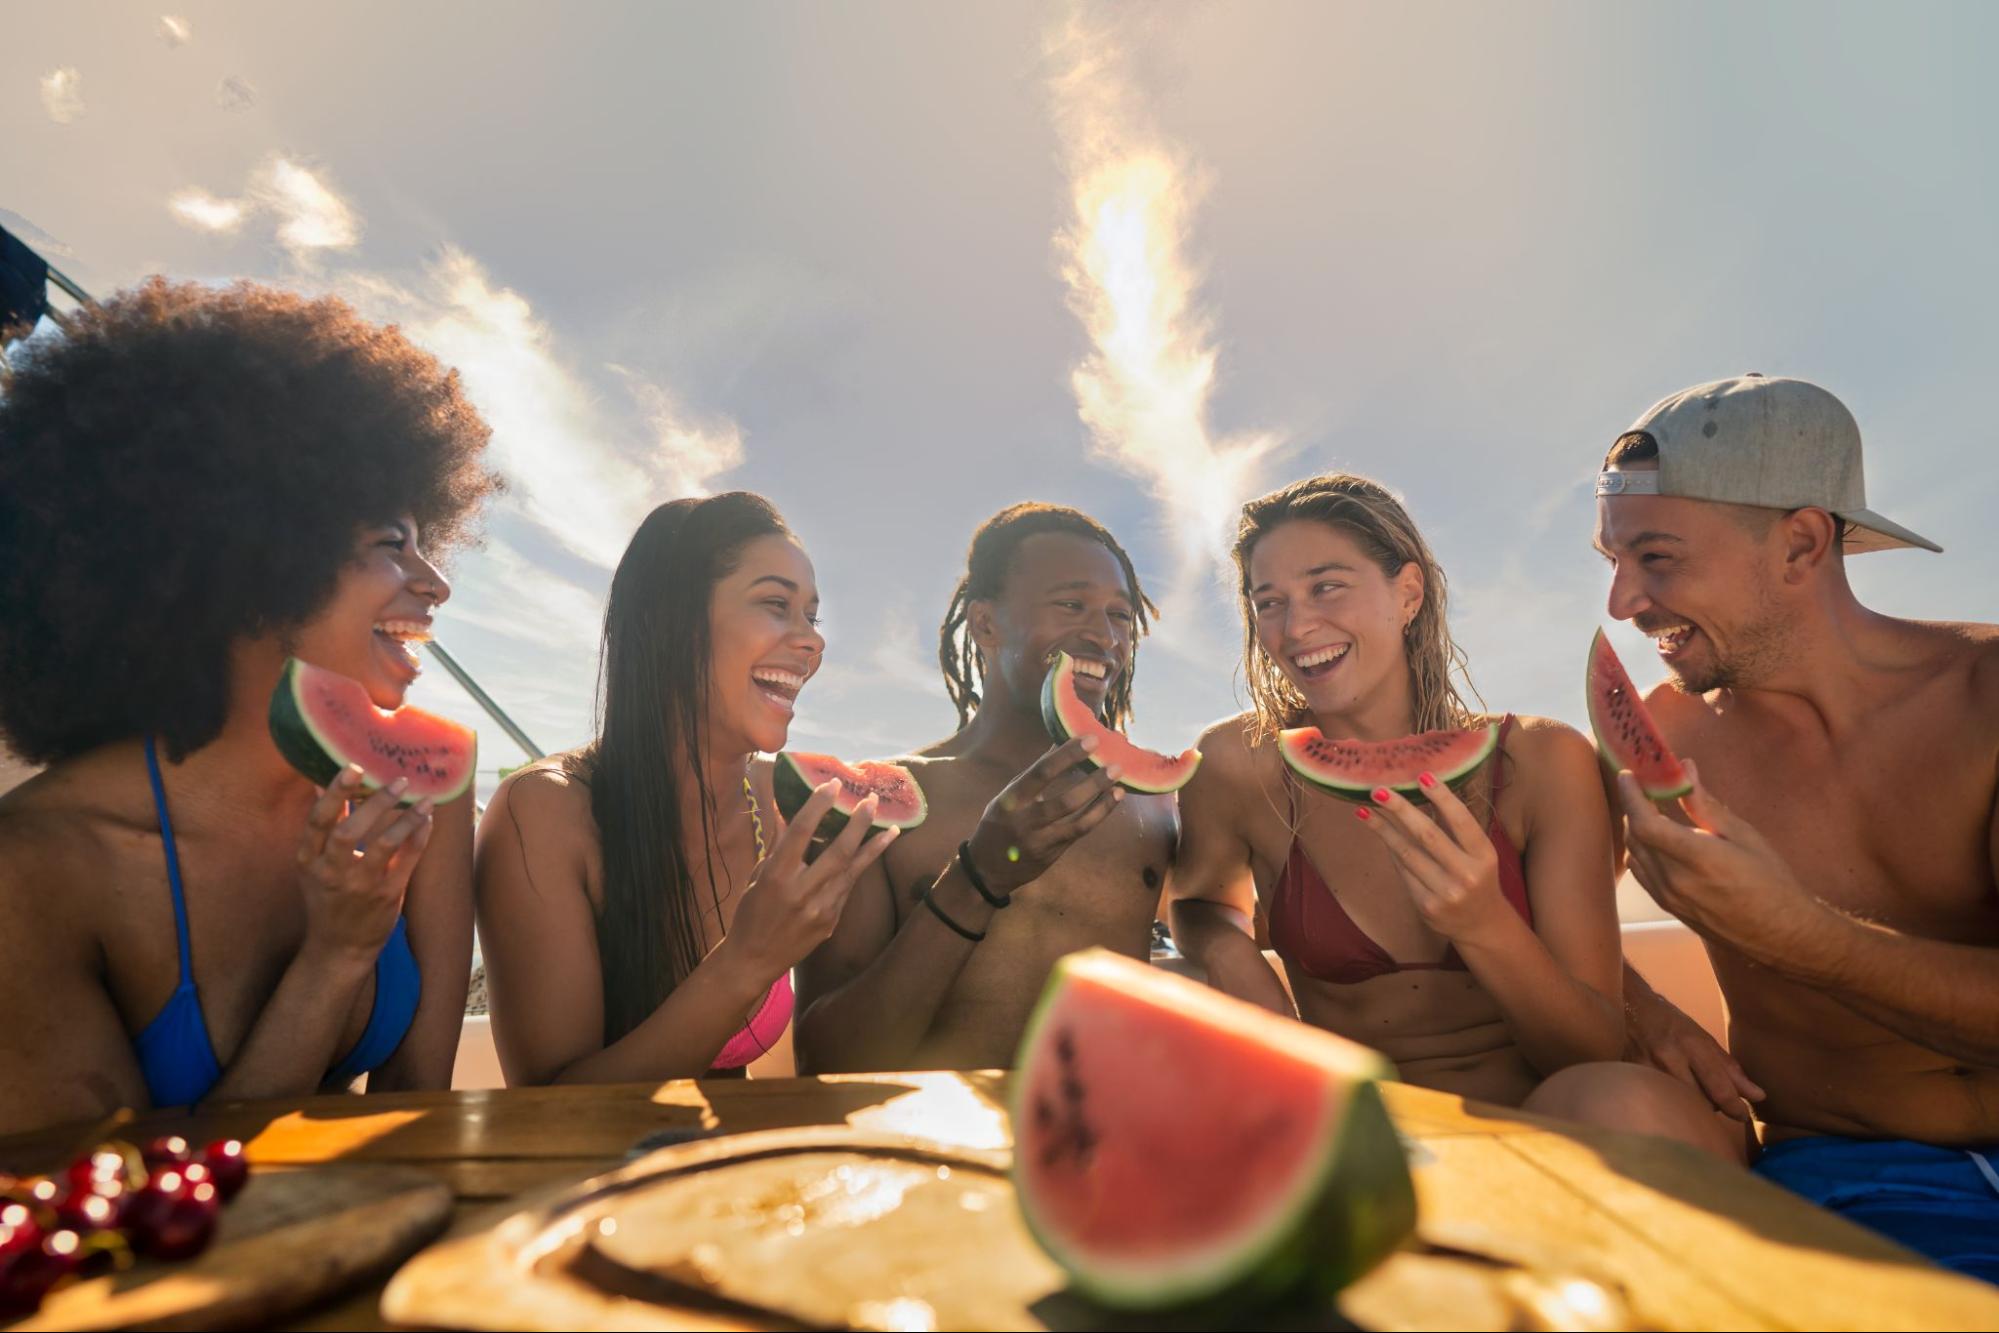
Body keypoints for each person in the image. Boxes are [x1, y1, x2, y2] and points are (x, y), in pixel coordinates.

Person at [0, 279, 499, 1134]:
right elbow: (118, 1214)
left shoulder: (421, 788)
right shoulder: (38, 869)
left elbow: (419, 1110)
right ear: (251, 562)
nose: (437, 581)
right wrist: (335, 955)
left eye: (429, 540)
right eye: (392, 544)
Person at [1531, 374, 1999, 1281]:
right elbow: (1537, 889)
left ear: (1798, 542)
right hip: (1846, 1172)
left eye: (1657, 559)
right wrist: (1644, 1004)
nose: (1621, 603)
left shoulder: (1986, 696)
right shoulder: (1660, 732)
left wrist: (1801, 937)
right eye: (1611, 560)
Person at [1170, 474, 1624, 1108]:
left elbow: (1596, 1053)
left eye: (1326, 587)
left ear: (1408, 594)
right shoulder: (1235, 766)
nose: (1297, 626)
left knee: (1626, 1101)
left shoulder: (1544, 759)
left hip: (1554, 1110)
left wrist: (1486, 926)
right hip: (1370, 1135)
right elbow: (1196, 901)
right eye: (1269, 602)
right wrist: (1227, 950)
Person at [475, 493, 895, 1084]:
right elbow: (549, 1108)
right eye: (776, 604)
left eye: (812, 617)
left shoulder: (789, 806)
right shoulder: (543, 810)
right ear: (673, 623)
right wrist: (747, 961)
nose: (812, 642)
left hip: (731, 1170)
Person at [796, 503, 1175, 1072]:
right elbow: (827, 1060)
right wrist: (977, 877)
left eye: (1120, 616)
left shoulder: (1155, 806)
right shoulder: (880, 800)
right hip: (932, 1155)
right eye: (1072, 605)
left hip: (1108, 1151)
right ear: (985, 624)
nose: (1103, 636)